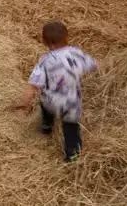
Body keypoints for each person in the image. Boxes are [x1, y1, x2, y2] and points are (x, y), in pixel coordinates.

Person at [15, 21, 98, 162]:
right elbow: (94, 64)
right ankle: (72, 155)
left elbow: (33, 86)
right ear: (67, 37)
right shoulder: (76, 53)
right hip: (71, 102)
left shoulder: (44, 61)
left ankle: (46, 126)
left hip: (51, 101)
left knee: (45, 106)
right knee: (71, 128)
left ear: (44, 41)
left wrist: (24, 104)